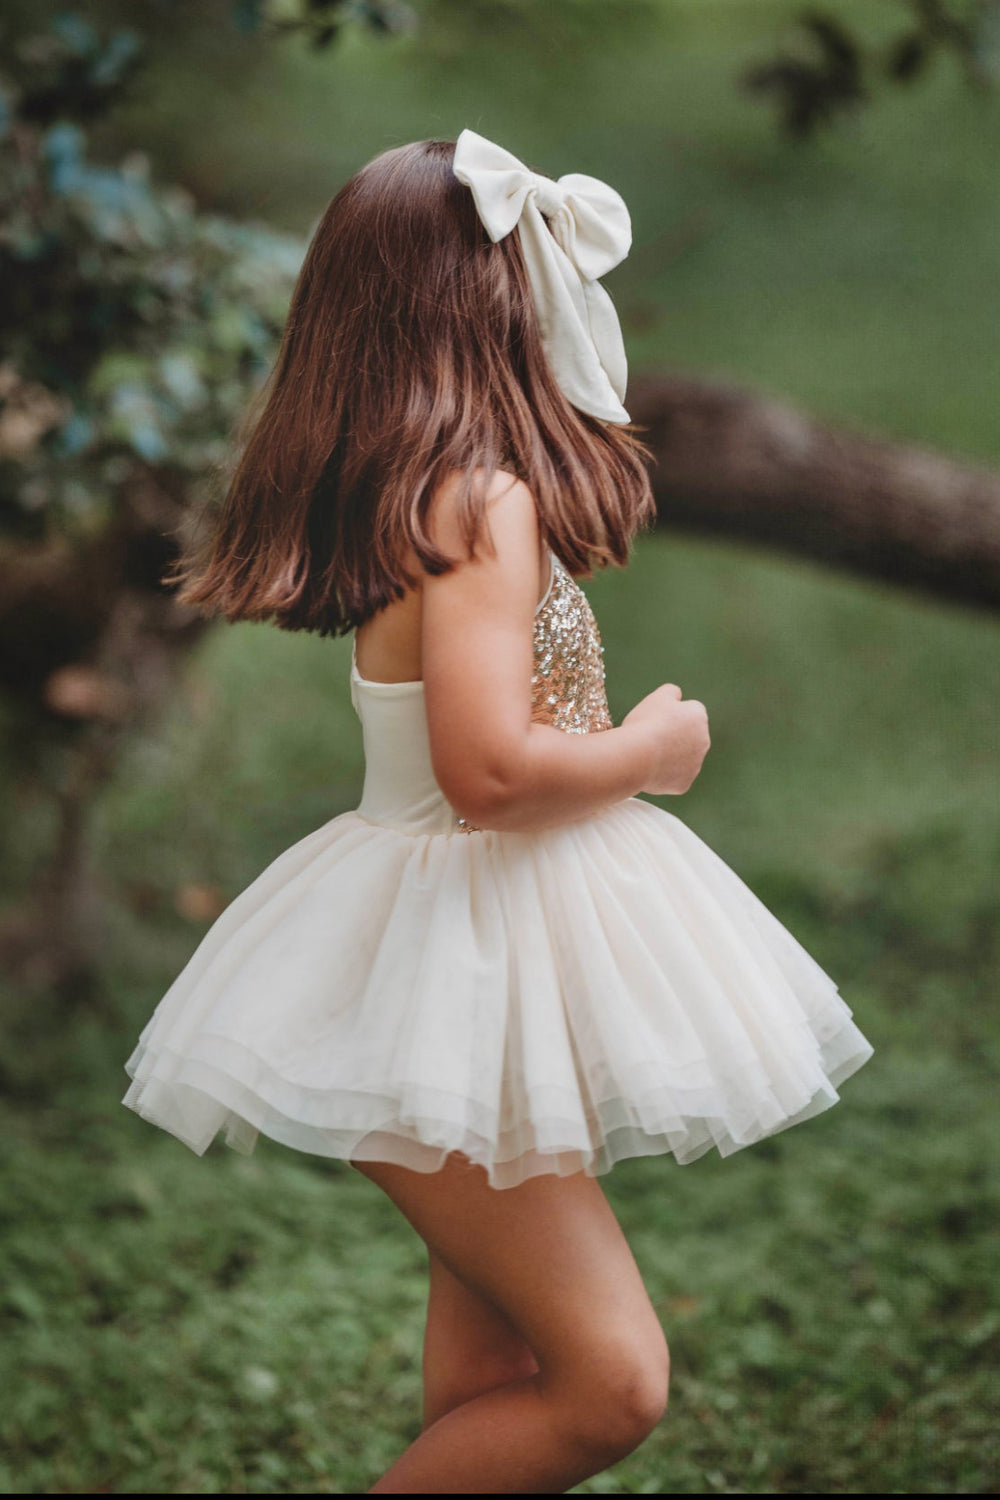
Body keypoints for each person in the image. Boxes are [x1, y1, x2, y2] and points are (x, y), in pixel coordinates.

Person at [123, 130, 874, 1493]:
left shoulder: (435, 481)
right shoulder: (478, 498)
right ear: (486, 297)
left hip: (472, 954)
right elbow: (491, 775)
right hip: (454, 941)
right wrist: (649, 747)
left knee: (493, 1380)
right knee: (611, 1384)